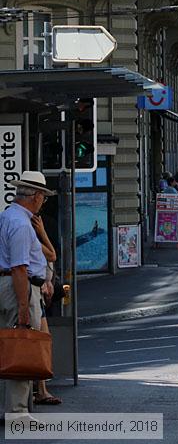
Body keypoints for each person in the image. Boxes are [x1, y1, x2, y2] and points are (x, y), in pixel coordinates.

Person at [0, 171, 54, 417]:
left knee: (6, 346)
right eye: (43, 197)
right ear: (36, 196)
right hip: (19, 288)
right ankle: (17, 412)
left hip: (6, 284)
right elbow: (19, 268)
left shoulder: (6, 217)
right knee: (21, 345)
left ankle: (8, 409)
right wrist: (24, 307)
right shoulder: (22, 224)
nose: (43, 201)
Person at [31, 211, 60, 407]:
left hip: (37, 293)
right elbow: (52, 254)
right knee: (39, 341)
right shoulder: (29, 234)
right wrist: (42, 232)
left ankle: (40, 388)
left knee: (42, 341)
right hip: (31, 292)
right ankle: (39, 389)